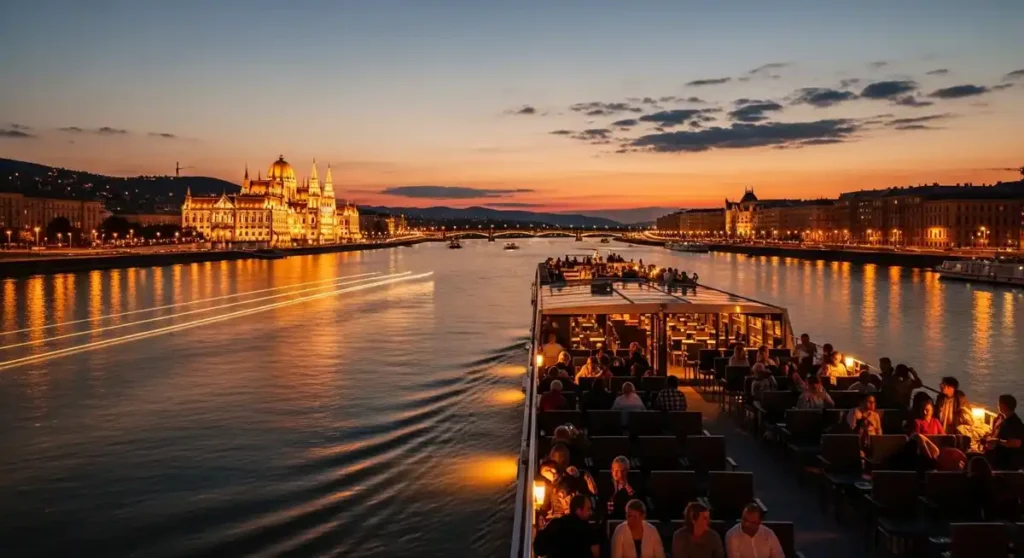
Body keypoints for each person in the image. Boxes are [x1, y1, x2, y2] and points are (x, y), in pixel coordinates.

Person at [534, 494, 602, 558]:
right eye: (588, 509)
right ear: (578, 511)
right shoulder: (588, 531)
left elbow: (538, 548)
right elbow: (595, 552)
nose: (591, 512)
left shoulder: (556, 524)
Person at [986, 394, 1024, 470]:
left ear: (1003, 406)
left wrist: (997, 441)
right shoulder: (1000, 418)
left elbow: (1017, 443)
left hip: (1007, 462)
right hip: (997, 458)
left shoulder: (1016, 423)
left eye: (998, 404)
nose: (997, 406)